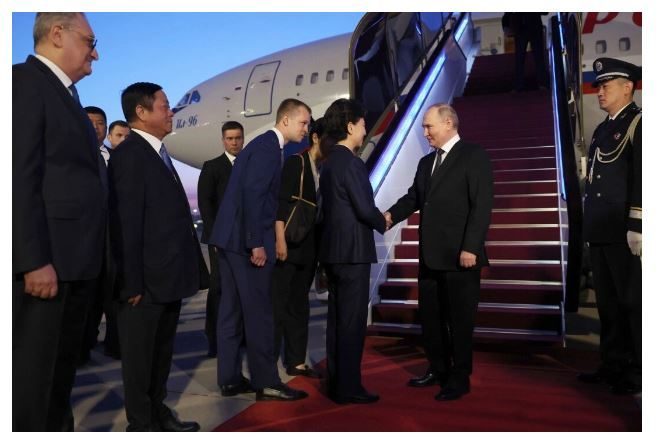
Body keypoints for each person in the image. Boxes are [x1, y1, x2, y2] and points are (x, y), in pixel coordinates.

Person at [12, 12, 105, 431]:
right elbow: (16, 176)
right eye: (89, 41)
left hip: (72, 266)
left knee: (57, 380)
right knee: (32, 384)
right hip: (46, 266)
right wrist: (32, 259)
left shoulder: (63, 94)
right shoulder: (24, 84)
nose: (95, 53)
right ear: (56, 35)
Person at [108, 82, 209, 431]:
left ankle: (158, 413)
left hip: (166, 278)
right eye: (165, 106)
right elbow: (125, 224)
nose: (171, 112)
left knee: (161, 354)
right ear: (142, 112)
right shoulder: (129, 156)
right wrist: (130, 281)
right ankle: (141, 425)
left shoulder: (156, 153)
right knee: (139, 360)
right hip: (144, 284)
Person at [384, 103, 493, 401]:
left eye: (429, 126)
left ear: (448, 124)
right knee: (431, 318)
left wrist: (471, 247)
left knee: (460, 320)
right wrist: (390, 216)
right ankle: (438, 368)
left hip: (461, 257)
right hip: (431, 256)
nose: (425, 132)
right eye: (423, 127)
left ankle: (460, 378)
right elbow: (414, 198)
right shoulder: (425, 163)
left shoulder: (473, 155)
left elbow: (481, 206)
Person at [208, 98, 310, 401]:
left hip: (229, 241)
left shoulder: (260, 145)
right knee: (261, 313)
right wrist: (255, 242)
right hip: (246, 242)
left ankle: (228, 379)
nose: (307, 128)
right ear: (286, 121)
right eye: (303, 122)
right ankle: (266, 381)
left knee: (231, 312)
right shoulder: (268, 148)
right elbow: (254, 195)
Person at [577, 57, 642, 395]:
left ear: (628, 86)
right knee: (608, 303)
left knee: (632, 302)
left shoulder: (640, 123)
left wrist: (638, 222)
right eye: (599, 86)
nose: (599, 91)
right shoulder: (604, 128)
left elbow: (644, 176)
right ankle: (612, 362)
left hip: (625, 232)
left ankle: (637, 370)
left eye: (606, 85)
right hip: (601, 230)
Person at [318, 99, 386, 404]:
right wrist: (381, 220)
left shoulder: (329, 161)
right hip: (353, 252)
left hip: (332, 252)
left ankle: (335, 383)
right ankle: (349, 388)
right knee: (352, 323)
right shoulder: (352, 162)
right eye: (361, 124)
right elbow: (364, 208)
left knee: (336, 321)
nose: (364, 129)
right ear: (349, 126)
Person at [272, 117, 325, 379]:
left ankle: (296, 361)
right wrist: (280, 240)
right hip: (289, 245)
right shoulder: (296, 163)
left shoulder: (324, 168)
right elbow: (281, 204)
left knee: (300, 305)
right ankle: (269, 364)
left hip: (309, 247)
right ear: (316, 138)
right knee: (279, 305)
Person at [197, 120, 244, 357]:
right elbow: (206, 205)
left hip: (245, 239)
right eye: (230, 138)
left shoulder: (249, 164)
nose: (234, 142)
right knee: (219, 288)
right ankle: (214, 339)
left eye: (238, 138)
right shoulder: (212, 166)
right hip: (220, 240)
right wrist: (216, 239)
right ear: (223, 140)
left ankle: (240, 336)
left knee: (242, 289)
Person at [79, 105, 121, 364]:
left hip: (112, 236)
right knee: (86, 297)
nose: (96, 128)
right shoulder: (72, 155)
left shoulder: (116, 156)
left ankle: (115, 344)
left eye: (100, 123)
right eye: (90, 122)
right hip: (85, 238)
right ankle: (82, 347)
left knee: (114, 292)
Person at [510, 12, 549, 91]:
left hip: (530, 27)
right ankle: (520, 85)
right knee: (521, 58)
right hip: (524, 27)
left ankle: (542, 83)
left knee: (537, 57)